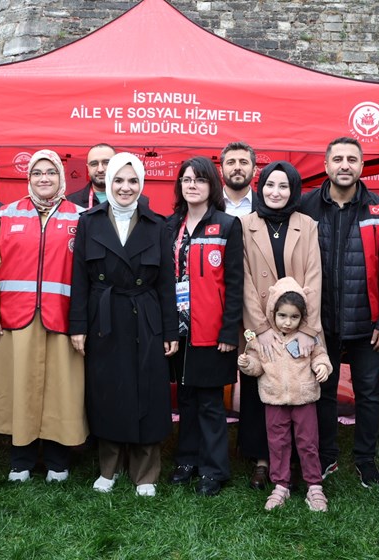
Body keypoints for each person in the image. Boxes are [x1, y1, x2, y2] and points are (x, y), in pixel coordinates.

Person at [69, 152, 178, 497]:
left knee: (148, 390)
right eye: (119, 180)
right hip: (104, 318)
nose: (125, 187)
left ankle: (145, 472)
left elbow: (166, 283)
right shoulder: (89, 222)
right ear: (109, 182)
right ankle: (110, 467)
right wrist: (78, 326)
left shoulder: (158, 225)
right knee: (107, 390)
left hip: (145, 317)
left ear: (141, 184)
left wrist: (170, 330)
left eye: (132, 181)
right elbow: (79, 279)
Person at [0, 149, 88, 482]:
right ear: (28, 178)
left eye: (50, 172)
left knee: (60, 392)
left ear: (61, 178)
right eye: (37, 172)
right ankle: (21, 461)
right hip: (16, 318)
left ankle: (57, 461)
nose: (44, 178)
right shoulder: (8, 214)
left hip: (62, 320)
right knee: (19, 389)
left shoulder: (80, 217)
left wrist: (83, 321)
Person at [297, 137, 379, 486]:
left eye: (352, 159)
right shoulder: (306, 205)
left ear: (361, 166)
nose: (345, 165)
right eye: (337, 158)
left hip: (366, 321)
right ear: (326, 165)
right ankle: (326, 456)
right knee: (323, 390)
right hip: (320, 321)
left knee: (367, 392)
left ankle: (365, 460)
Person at [240, 160, 322, 491]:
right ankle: (263, 461)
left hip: (298, 323)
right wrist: (261, 328)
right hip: (261, 325)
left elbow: (314, 277)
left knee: (301, 394)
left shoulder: (307, 224)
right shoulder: (245, 224)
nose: (276, 192)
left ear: (294, 190)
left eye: (284, 186)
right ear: (261, 188)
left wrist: (306, 329)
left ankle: (303, 463)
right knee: (260, 391)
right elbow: (245, 280)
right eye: (270, 185)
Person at [165, 157, 243, 497]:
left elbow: (236, 283)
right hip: (180, 331)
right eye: (186, 179)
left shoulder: (227, 225)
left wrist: (229, 331)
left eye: (199, 179)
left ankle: (214, 469)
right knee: (185, 398)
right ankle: (187, 461)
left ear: (212, 185)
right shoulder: (171, 226)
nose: (192, 185)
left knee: (210, 403)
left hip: (213, 330)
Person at [238, 278, 331, 511]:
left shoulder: (309, 339)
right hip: (274, 399)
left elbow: (320, 355)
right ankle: (281, 485)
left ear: (302, 317)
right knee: (277, 443)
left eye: (294, 317)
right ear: (273, 312)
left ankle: (314, 485)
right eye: (282, 316)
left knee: (308, 442)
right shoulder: (263, 341)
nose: (288, 322)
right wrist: (248, 364)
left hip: (304, 399)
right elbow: (257, 366)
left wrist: (322, 366)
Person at [67, 143, 115, 209]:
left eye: (106, 163)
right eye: (94, 164)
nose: (100, 169)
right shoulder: (70, 203)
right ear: (88, 169)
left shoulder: (129, 200)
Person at [221, 141, 257, 217]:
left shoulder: (265, 205)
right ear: (221, 170)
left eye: (244, 162)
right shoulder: (208, 205)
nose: (237, 167)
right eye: (230, 162)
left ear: (254, 171)